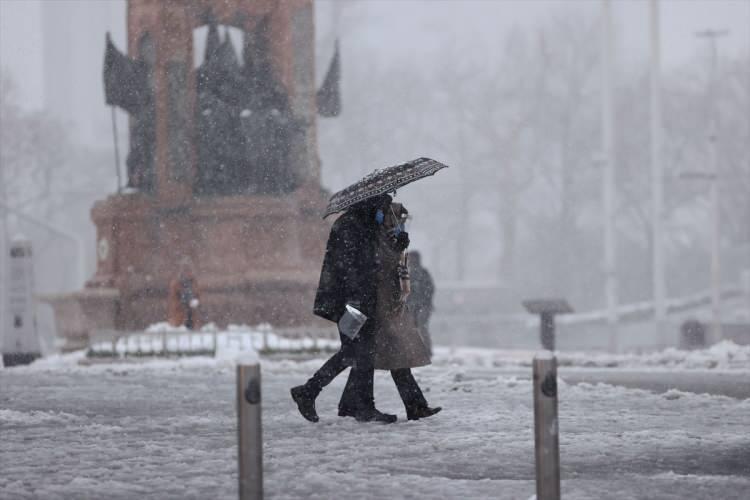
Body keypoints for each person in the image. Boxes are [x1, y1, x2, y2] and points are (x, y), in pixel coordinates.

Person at [290, 194, 399, 423]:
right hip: (351, 303)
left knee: (361, 353)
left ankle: (354, 404)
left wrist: (397, 243)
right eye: (383, 207)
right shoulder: (349, 226)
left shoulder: (364, 224)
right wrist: (354, 298)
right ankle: (312, 392)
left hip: (362, 299)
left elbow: (373, 260)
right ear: (372, 204)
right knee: (354, 352)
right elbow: (348, 266)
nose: (384, 212)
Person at [338, 202, 441, 421]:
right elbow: (382, 268)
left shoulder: (387, 238)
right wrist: (396, 249)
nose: (401, 225)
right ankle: (413, 406)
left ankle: (348, 402)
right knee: (377, 357)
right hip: (381, 308)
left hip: (387, 307)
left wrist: (399, 248)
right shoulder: (377, 238)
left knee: (379, 359)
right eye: (398, 220)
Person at [407, 250, 435, 356]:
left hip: (420, 305)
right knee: (416, 328)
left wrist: (424, 301)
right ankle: (418, 350)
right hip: (415, 305)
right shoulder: (411, 272)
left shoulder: (420, 273)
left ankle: (423, 350)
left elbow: (429, 289)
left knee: (420, 327)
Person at [167, 260, 201, 330]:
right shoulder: (176, 283)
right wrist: (181, 303)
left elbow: (198, 294)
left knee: (192, 326)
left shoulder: (194, 282)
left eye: (188, 270)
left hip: (191, 312)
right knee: (181, 328)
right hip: (180, 313)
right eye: (185, 270)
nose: (187, 272)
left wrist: (195, 301)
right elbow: (173, 299)